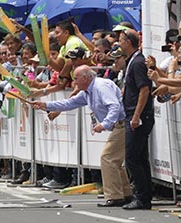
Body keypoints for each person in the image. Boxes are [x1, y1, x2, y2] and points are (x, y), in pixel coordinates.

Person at [30, 65, 132, 206]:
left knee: (107, 158)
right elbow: (69, 103)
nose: (74, 82)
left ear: (86, 77)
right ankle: (125, 193)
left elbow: (114, 106)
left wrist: (105, 124)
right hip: (119, 125)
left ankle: (115, 196)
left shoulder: (101, 87)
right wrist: (45, 105)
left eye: (76, 78)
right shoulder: (87, 91)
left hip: (122, 124)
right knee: (114, 160)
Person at [119, 27, 155, 210]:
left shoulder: (138, 62)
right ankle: (144, 195)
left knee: (132, 157)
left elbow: (145, 89)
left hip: (139, 115)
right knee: (140, 157)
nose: (118, 42)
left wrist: (136, 115)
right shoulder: (131, 62)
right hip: (134, 113)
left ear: (128, 42)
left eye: (121, 39)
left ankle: (142, 197)